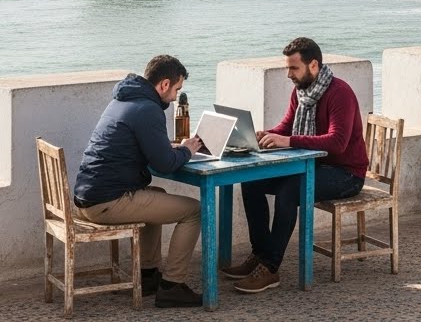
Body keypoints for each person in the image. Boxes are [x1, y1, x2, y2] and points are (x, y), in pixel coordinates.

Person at [225, 37, 368, 294]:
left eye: (293, 68)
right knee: (251, 182)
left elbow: (337, 143)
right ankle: (260, 255)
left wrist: (287, 140)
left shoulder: (340, 93)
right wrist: (264, 135)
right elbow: (287, 126)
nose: (288, 74)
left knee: (289, 189)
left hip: (346, 173)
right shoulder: (301, 92)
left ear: (313, 65)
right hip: (313, 167)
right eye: (287, 68)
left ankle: (269, 268)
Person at [72, 55, 206, 308]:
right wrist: (187, 150)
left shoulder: (123, 100)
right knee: (195, 211)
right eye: (177, 89)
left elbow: (139, 145)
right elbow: (164, 164)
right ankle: (171, 287)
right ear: (164, 84)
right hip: (106, 202)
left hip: (89, 197)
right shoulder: (148, 109)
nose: (177, 96)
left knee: (156, 192)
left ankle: (147, 276)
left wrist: (168, 146)